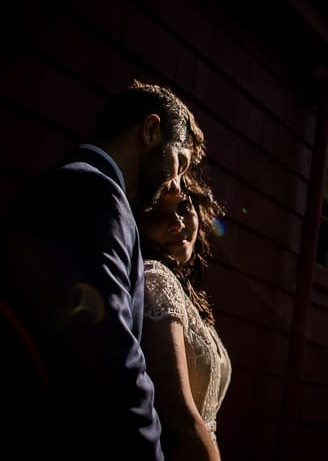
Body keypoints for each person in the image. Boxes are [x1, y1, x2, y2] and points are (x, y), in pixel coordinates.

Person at [0, 80, 203, 461]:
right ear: (150, 130)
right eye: (180, 163)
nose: (176, 181)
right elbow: (114, 371)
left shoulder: (70, 182)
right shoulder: (96, 193)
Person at [138, 171, 231, 461]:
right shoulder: (156, 278)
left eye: (183, 207)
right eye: (158, 213)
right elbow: (179, 420)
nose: (176, 222)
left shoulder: (184, 290)